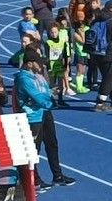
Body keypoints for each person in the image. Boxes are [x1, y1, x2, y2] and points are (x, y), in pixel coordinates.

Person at [14, 60, 73, 188]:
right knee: (35, 148)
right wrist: (50, 103)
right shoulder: (24, 78)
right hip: (34, 115)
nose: (41, 65)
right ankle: (34, 178)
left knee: (52, 143)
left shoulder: (39, 76)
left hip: (45, 112)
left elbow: (45, 92)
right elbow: (36, 96)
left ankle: (57, 175)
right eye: (38, 62)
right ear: (30, 63)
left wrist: (52, 93)